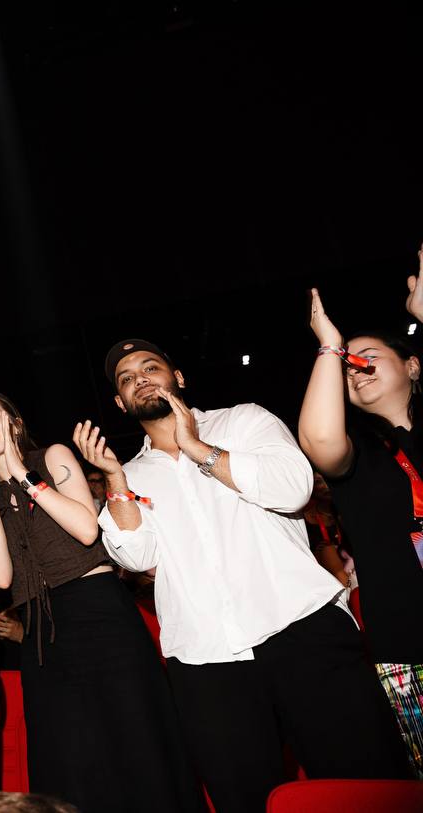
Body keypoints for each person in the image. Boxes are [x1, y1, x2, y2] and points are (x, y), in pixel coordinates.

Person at [76, 338, 411, 812]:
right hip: (206, 662)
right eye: (127, 379)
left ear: (179, 378)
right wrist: (114, 478)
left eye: (150, 367)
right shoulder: (130, 475)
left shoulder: (245, 421)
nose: (140, 380)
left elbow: (293, 489)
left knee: (365, 790)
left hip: (303, 630)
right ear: (119, 402)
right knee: (244, 800)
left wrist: (198, 449)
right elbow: (134, 553)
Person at [0, 391, 201, 811]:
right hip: (42, 635)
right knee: (71, 756)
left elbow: (86, 528)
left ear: (14, 423)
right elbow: (1, 577)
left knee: (137, 738)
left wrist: (22, 475)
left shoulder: (53, 457)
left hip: (98, 611)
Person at [299, 280, 423, 776]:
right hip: (409, 649)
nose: (356, 368)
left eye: (368, 357)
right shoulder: (358, 455)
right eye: (346, 367)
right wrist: (330, 347)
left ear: (412, 366)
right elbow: (319, 439)